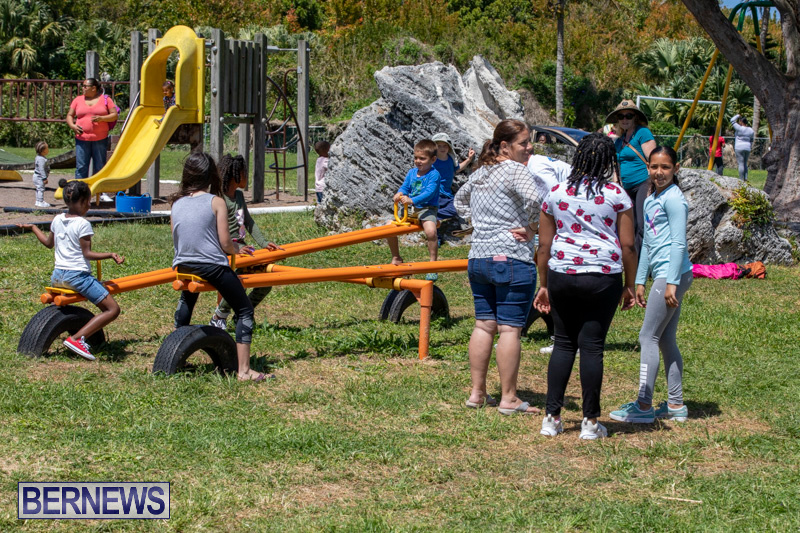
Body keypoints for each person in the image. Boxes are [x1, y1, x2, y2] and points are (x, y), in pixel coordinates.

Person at [532, 133, 637, 439]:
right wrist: (630, 284)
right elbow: (628, 245)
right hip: (602, 276)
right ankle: (590, 423)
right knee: (592, 347)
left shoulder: (556, 193)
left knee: (564, 344)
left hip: (562, 274)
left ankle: (551, 418)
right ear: (608, 161)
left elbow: (544, 245)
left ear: (577, 158)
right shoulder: (616, 195)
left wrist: (543, 284)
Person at [455, 119, 543, 415]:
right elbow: (536, 200)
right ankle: (508, 398)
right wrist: (531, 228)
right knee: (509, 329)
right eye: (524, 143)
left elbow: (459, 200)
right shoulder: (517, 170)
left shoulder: (480, 173)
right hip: (511, 257)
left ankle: (477, 393)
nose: (529, 148)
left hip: (478, 258)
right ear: (505, 146)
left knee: (483, 325)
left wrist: (478, 225)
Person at [609, 146, 693, 424]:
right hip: (663, 275)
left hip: (672, 274)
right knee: (665, 338)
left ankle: (643, 405)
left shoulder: (674, 199)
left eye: (665, 167)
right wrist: (639, 280)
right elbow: (646, 242)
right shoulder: (650, 198)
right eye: (654, 167)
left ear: (676, 169)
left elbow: (678, 243)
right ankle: (675, 405)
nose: (659, 172)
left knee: (648, 337)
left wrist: (671, 282)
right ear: (647, 167)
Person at [171, 152, 269, 382]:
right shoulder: (216, 202)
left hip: (183, 265)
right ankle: (244, 371)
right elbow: (225, 243)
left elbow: (178, 237)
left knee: (188, 299)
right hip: (211, 266)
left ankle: (175, 353)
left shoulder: (176, 203)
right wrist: (236, 249)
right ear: (211, 175)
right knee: (244, 310)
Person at [18, 179, 125, 361]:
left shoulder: (57, 219)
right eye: (88, 201)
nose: (89, 205)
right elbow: (87, 254)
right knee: (112, 310)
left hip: (58, 276)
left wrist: (34, 228)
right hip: (77, 276)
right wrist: (110, 254)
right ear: (82, 201)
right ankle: (76, 339)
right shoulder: (83, 224)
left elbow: (48, 244)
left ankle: (64, 335)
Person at [209, 154, 282, 330]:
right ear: (235, 175)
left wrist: (264, 243)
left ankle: (242, 313)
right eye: (244, 174)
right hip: (225, 248)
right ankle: (219, 315)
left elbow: (248, 222)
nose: (246, 178)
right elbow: (213, 230)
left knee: (266, 282)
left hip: (242, 248)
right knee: (238, 280)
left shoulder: (239, 196)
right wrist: (233, 248)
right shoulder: (218, 199)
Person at [525, 153, 572, 355]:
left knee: (555, 276)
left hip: (565, 221)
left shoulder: (536, 169)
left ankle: (564, 337)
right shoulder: (535, 163)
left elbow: (555, 197)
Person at [606, 99, 656, 253]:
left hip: (643, 183)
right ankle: (631, 259)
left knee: (642, 224)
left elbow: (654, 160)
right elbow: (617, 166)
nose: (625, 119)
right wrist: (616, 186)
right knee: (628, 225)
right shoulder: (618, 141)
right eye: (621, 116)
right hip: (625, 187)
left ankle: (643, 261)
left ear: (635, 117)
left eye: (628, 115)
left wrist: (652, 185)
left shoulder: (642, 133)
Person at [386, 139, 440, 278]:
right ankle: (396, 257)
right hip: (410, 210)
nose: (418, 161)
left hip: (427, 208)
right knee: (388, 227)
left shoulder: (434, 175)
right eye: (416, 158)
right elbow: (405, 187)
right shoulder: (411, 173)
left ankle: (432, 265)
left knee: (431, 231)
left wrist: (412, 200)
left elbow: (429, 193)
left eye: (422, 158)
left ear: (433, 159)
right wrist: (400, 193)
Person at [66, 78, 118, 200]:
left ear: (93, 88)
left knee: (99, 166)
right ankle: (79, 193)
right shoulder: (78, 100)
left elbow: (114, 115)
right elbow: (69, 115)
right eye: (83, 85)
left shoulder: (106, 99)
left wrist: (102, 118)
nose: (83, 88)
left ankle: (101, 193)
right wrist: (73, 126)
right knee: (81, 167)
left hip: (100, 138)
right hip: (81, 139)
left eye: (85, 86)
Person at [431, 132, 475, 243]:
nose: (442, 148)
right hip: (435, 194)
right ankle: (436, 239)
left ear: (449, 147)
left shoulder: (450, 159)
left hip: (447, 194)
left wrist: (469, 159)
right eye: (439, 146)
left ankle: (432, 216)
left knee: (456, 209)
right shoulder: (432, 161)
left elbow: (457, 168)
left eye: (445, 146)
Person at [730, 114, 755, 181]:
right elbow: (751, 140)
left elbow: (732, 120)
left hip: (739, 147)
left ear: (741, 122)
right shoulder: (751, 130)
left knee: (741, 164)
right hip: (747, 147)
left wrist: (738, 115)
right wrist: (750, 146)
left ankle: (741, 179)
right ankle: (746, 178)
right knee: (745, 163)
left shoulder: (739, 128)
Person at [33, 141, 51, 208]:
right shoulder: (41, 159)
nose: (48, 150)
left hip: (37, 176)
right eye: (47, 148)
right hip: (39, 177)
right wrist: (44, 178)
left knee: (38, 189)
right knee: (41, 189)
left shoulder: (38, 157)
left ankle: (38, 201)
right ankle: (40, 201)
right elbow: (41, 169)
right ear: (43, 151)